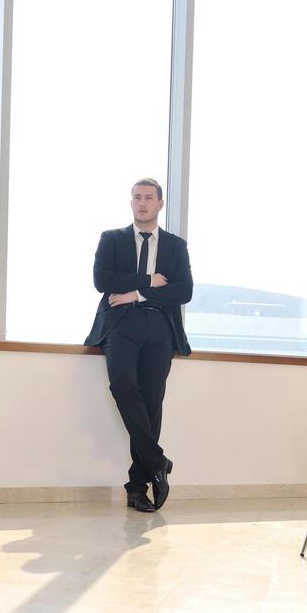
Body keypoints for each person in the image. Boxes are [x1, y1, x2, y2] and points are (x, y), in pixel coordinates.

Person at [84, 178, 193, 512]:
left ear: (160, 204)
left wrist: (138, 293)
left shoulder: (175, 246)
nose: (142, 203)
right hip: (121, 323)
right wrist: (148, 279)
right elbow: (102, 280)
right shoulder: (112, 239)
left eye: (149, 198)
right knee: (122, 384)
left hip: (160, 325)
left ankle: (137, 488)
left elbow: (183, 290)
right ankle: (157, 461)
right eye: (136, 198)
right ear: (131, 203)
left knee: (152, 401)